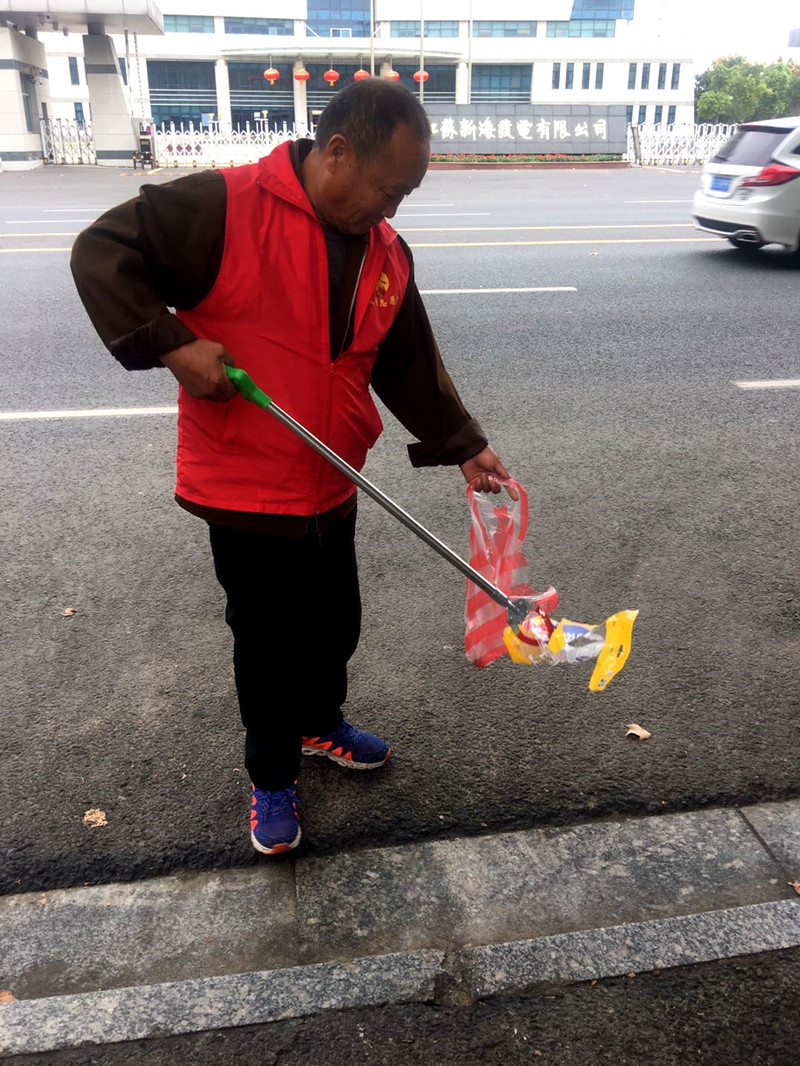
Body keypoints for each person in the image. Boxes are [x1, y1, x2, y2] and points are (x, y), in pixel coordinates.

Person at [71, 79, 512, 856]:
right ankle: (272, 772)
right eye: (388, 190)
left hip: (331, 475)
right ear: (337, 152)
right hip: (246, 481)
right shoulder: (223, 206)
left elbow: (407, 360)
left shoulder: (384, 252)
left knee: (334, 623)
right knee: (268, 640)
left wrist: (465, 442)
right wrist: (173, 344)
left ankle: (319, 725)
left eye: (407, 194)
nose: (394, 210)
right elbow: (102, 252)